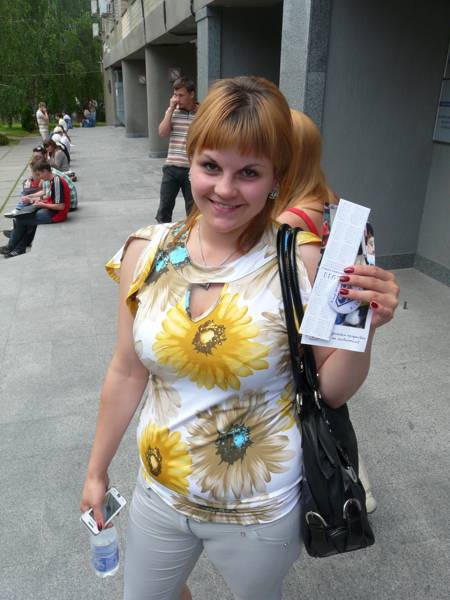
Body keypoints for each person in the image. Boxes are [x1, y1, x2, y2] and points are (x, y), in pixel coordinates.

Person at [80, 76, 399, 600]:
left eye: (248, 172)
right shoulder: (146, 251)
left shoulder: (302, 260)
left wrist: (364, 330)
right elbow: (126, 368)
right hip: (159, 491)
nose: (225, 189)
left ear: (276, 178)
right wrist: (96, 470)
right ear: (190, 161)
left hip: (260, 510)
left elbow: (334, 389)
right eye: (211, 166)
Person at [277, 110, 378, 513]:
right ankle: (352, 478)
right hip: (338, 331)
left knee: (311, 408)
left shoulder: (286, 222)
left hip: (301, 337)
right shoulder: (331, 203)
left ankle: (335, 484)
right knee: (331, 407)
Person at [0, 159, 71, 259]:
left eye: (39, 174)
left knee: (20, 219)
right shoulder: (53, 180)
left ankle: (10, 247)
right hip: (51, 210)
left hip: (56, 215)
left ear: (45, 171)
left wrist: (42, 205)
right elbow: (48, 197)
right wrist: (32, 200)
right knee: (24, 216)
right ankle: (19, 248)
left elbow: (60, 206)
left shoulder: (56, 182)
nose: (39, 177)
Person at [155, 77, 198, 223]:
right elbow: (162, 133)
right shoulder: (173, 111)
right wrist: (170, 110)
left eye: (181, 95)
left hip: (192, 169)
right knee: (164, 209)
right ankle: (162, 235)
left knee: (193, 211)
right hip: (171, 168)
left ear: (191, 94)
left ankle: (191, 235)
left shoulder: (202, 113)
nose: (177, 99)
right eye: (175, 95)